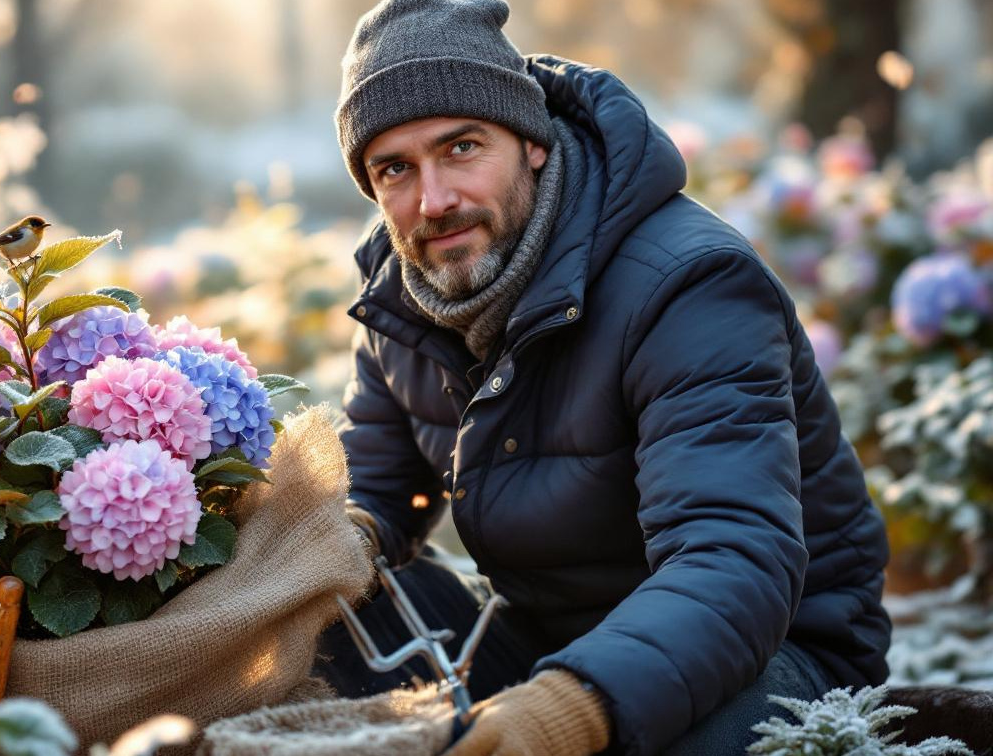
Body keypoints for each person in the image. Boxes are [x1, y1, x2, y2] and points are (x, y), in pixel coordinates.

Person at [313, 1, 892, 754]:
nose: (434, 200)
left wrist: (570, 709)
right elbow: (384, 491)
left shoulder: (689, 284)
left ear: (533, 144)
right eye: (396, 168)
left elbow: (731, 559)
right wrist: (310, 560)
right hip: (547, 640)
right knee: (324, 626)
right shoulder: (407, 289)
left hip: (769, 652)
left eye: (461, 147)